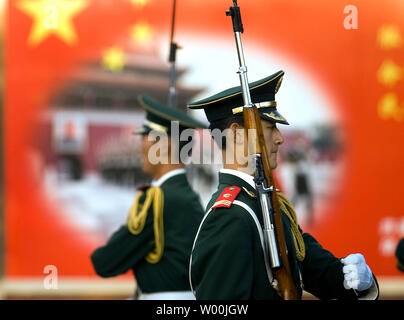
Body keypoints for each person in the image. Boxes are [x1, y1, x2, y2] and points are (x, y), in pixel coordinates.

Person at [188, 71, 379, 300]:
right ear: (238, 135)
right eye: (270, 128)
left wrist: (352, 279)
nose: (279, 138)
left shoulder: (266, 203)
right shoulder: (230, 217)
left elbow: (311, 265)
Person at [91, 94, 206, 300]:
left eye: (145, 138)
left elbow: (106, 263)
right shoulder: (187, 196)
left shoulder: (159, 199)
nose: (140, 147)